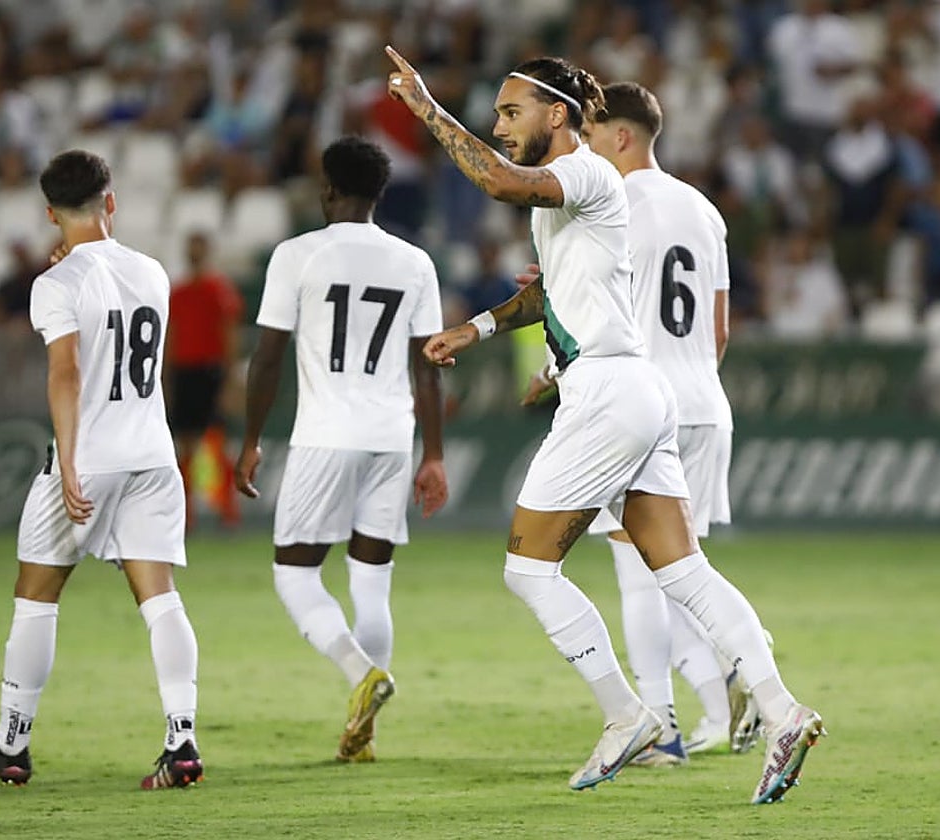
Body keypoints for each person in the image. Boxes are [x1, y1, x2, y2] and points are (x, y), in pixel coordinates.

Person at [386, 46, 823, 802]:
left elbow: (495, 179)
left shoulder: (584, 169)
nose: (500, 124)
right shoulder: (582, 190)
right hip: (640, 389)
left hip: (608, 393)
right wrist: (479, 329)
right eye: (496, 113)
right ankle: (782, 712)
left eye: (511, 111)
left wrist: (427, 108)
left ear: (558, 115)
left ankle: (630, 714)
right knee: (682, 571)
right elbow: (551, 288)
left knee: (527, 568)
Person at [0, 150, 203, 790]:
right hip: (151, 454)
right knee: (159, 596)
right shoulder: (154, 273)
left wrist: (70, 464)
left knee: (37, 597)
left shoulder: (53, 283)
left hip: (90, 458)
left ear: (49, 213)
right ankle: (182, 740)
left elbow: (67, 371)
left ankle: (10, 744)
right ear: (110, 202)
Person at [235, 136, 448, 763]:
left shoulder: (297, 255)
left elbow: (268, 356)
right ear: (379, 192)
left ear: (329, 190)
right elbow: (429, 368)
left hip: (326, 437)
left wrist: (250, 440)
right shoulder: (415, 262)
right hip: (391, 438)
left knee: (295, 573)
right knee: (372, 581)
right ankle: (363, 734)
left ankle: (363, 675)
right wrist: (432, 453)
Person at [572, 81, 760, 760]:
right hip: (704, 403)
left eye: (591, 134)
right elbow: (719, 329)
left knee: (636, 570)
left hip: (640, 408)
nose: (583, 147)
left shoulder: (606, 205)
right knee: (683, 572)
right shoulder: (704, 210)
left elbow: (596, 315)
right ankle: (736, 673)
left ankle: (659, 726)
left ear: (621, 136)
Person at [167, 230, 243, 531]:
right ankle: (187, 516)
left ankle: (227, 512)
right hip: (184, 371)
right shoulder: (179, 291)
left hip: (210, 371)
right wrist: (167, 376)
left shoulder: (218, 288)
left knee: (215, 443)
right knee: (185, 444)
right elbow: (172, 334)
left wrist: (230, 376)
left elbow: (230, 332)